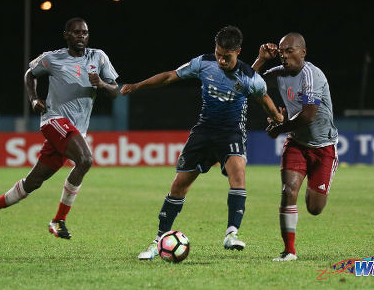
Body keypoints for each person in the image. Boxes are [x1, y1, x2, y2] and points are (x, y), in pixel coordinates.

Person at [121, 25, 283, 260]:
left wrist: (279, 119)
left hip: (231, 132)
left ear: (238, 51)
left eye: (226, 57)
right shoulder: (203, 63)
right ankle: (158, 240)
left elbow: (264, 99)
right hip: (204, 131)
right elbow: (169, 76)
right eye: (217, 54)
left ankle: (231, 234)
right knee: (179, 185)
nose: (220, 60)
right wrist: (137, 86)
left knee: (238, 173)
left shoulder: (251, 78)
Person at [0, 17, 119, 240]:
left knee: (32, 183)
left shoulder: (99, 57)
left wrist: (101, 84)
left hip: (77, 129)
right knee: (85, 160)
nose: (81, 36)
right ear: (66, 35)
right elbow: (29, 74)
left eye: (84, 32)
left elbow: (115, 90)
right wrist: (34, 99)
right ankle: (59, 220)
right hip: (54, 120)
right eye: (75, 32)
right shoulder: (52, 58)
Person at [252, 32, 338, 261]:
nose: (284, 56)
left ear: (303, 52)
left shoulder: (312, 75)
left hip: (323, 146)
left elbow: (309, 115)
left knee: (315, 208)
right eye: (281, 52)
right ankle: (289, 251)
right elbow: (247, 81)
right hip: (297, 143)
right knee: (288, 192)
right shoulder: (279, 72)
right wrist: (261, 59)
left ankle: (319, 185)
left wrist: (279, 128)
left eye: (289, 51)